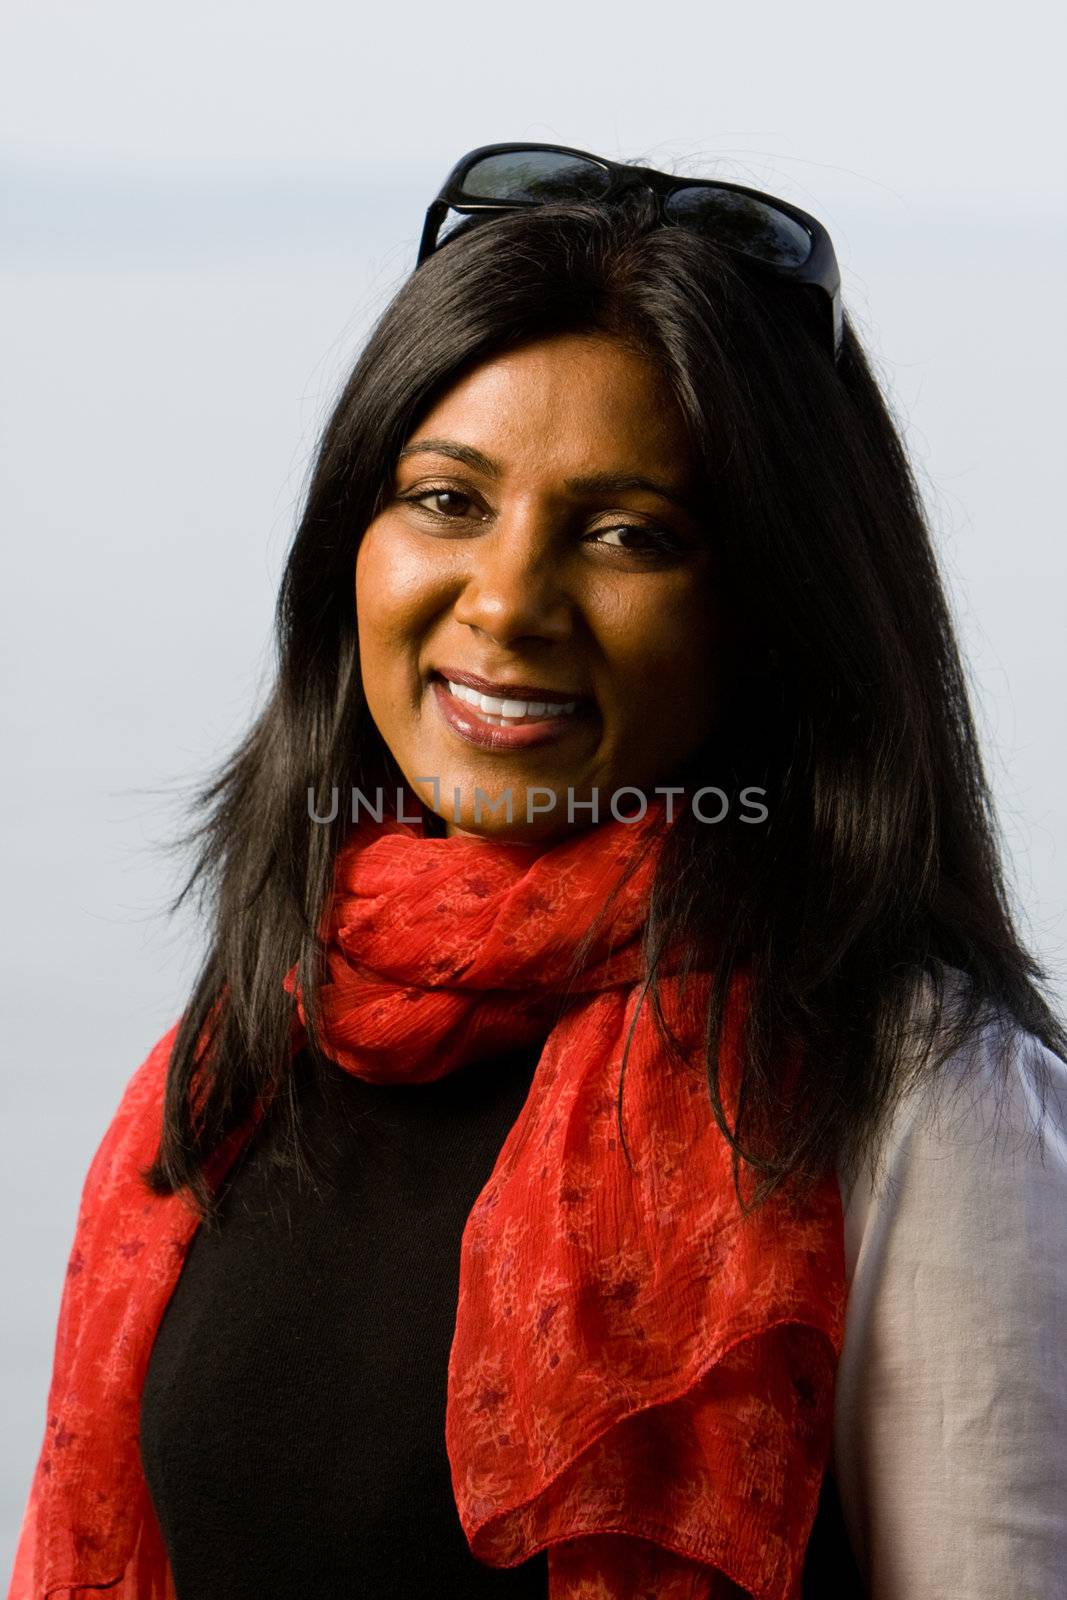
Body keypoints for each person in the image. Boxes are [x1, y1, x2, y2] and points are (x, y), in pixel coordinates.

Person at [8, 143, 1067, 1600]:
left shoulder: (924, 1098)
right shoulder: (235, 1062)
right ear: (348, 555)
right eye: (446, 499)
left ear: (773, 612)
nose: (505, 603)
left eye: (629, 534)